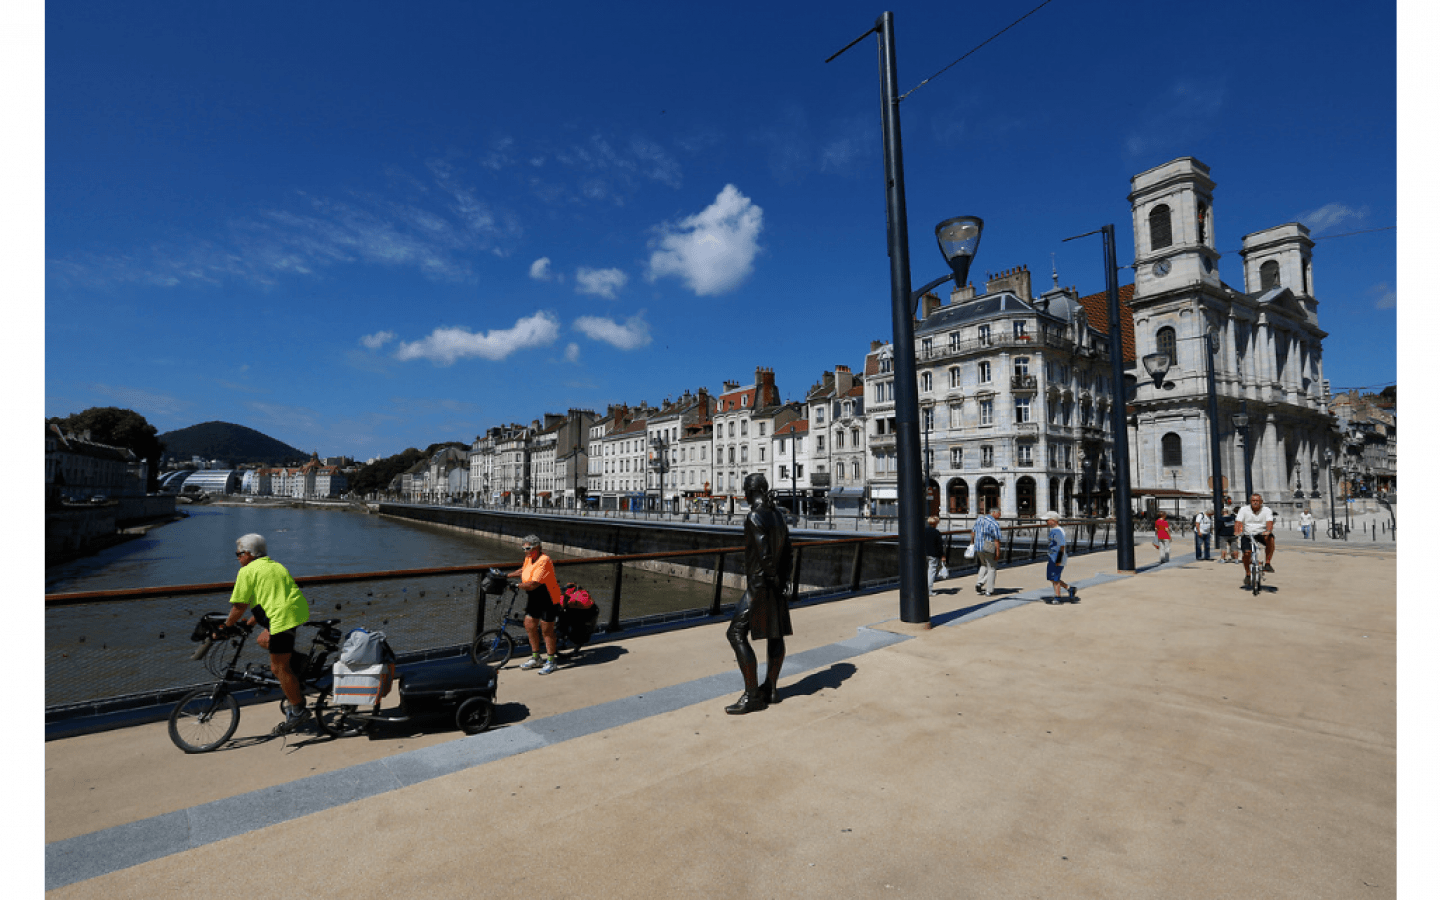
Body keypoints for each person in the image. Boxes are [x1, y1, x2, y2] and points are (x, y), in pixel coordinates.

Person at [219, 533, 313, 735]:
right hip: (293, 612)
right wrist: (250, 624)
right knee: (263, 640)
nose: (237, 557)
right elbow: (268, 599)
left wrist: (225, 628)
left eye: (239, 553)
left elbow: (239, 606)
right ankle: (300, 664)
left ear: (250, 554)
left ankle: (299, 710)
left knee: (278, 666)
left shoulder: (247, 571)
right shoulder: (275, 566)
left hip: (282, 618)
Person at [725, 473, 793, 715]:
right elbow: (788, 550)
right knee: (776, 635)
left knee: (735, 632)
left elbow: (764, 553)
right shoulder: (778, 515)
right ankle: (771, 689)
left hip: (760, 584)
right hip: (776, 584)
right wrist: (784, 579)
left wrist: (772, 576)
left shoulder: (754, 516)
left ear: (748, 491)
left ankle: (752, 694)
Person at [510, 534, 564, 675]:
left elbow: (533, 584)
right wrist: (506, 576)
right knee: (529, 625)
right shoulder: (529, 558)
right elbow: (524, 571)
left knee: (546, 630)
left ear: (537, 547)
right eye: (523, 548)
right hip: (534, 597)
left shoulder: (544, 560)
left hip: (548, 597)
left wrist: (517, 585)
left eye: (528, 548)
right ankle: (536, 657)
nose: (525, 551)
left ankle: (551, 662)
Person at [1235, 493, 1276, 587]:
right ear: (1250, 502)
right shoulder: (1244, 509)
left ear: (1261, 502)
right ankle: (1248, 574)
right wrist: (1237, 531)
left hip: (1261, 533)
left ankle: (1268, 563)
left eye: (1257, 501)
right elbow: (1238, 522)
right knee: (1246, 553)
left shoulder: (1266, 510)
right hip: (1248, 534)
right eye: (1253, 501)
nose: (1255, 502)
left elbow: (1269, 522)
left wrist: (1268, 531)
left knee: (1271, 539)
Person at [1042, 511, 1076, 604]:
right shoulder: (1055, 530)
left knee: (1055, 578)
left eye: (1047, 520)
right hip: (1052, 556)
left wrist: (1059, 559)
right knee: (1051, 577)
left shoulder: (1057, 531)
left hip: (1057, 557)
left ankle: (1058, 597)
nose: (1046, 522)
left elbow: (1062, 545)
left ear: (1053, 520)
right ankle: (1069, 588)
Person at [972, 506, 1002, 597]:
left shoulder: (979, 519)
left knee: (983, 565)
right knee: (992, 568)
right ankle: (989, 590)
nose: (1000, 516)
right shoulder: (994, 524)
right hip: (989, 547)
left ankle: (979, 584)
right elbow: (997, 539)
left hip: (978, 546)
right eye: (999, 514)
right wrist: (997, 552)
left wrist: (972, 543)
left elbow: (973, 532)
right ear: (993, 512)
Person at [923, 515, 945, 593]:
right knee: (931, 572)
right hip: (933, 554)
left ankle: (922, 588)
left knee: (923, 571)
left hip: (923, 553)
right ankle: (929, 590)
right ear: (935, 523)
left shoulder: (923, 531)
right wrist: (942, 555)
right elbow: (939, 545)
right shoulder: (936, 532)